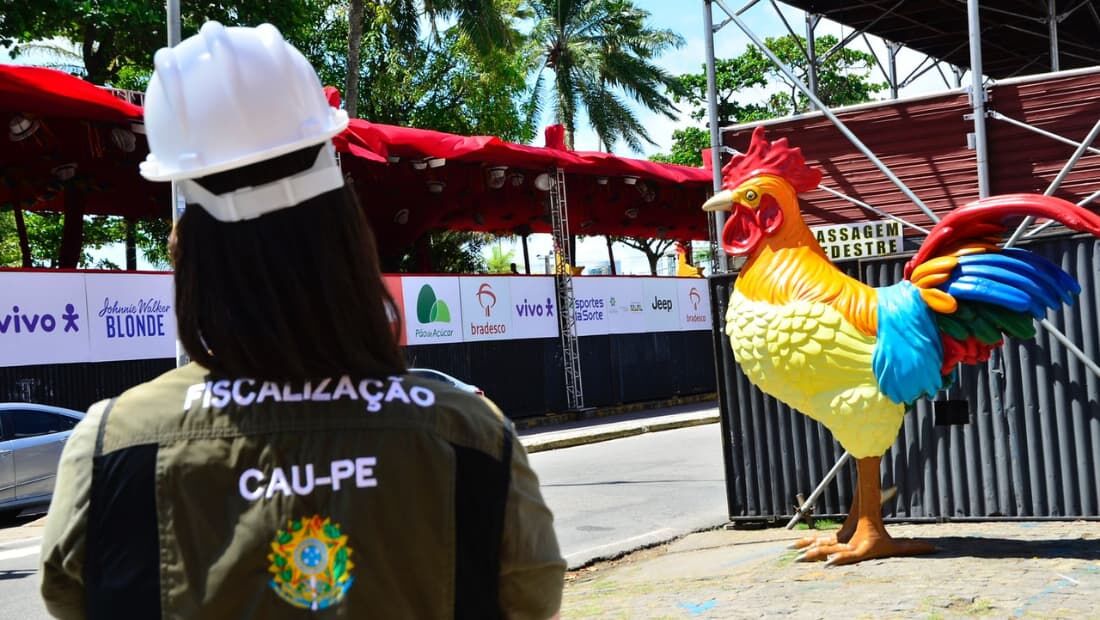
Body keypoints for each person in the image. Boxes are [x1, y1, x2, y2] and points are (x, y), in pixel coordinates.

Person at [39, 22, 564, 619]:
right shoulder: (470, 438)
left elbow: (69, 597)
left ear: (190, 247)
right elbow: (531, 596)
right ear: (346, 229)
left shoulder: (111, 449)